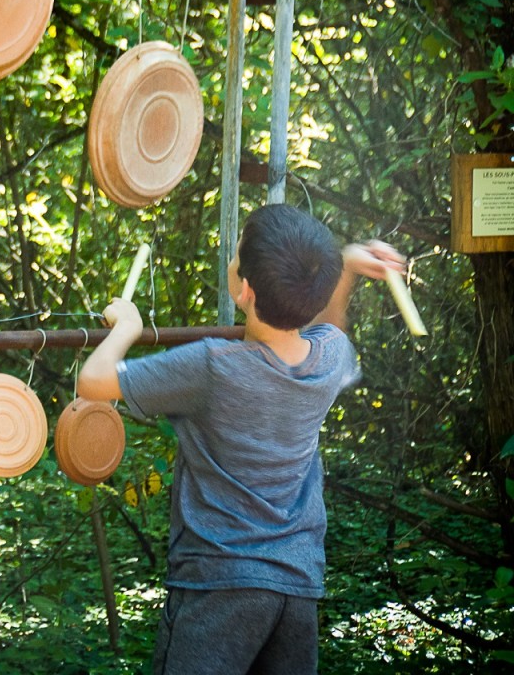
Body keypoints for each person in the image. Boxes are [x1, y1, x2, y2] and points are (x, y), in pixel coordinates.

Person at [77, 204, 407, 675]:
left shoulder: (212, 366)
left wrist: (127, 327)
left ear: (245, 289)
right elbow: (329, 327)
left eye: (234, 257)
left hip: (219, 586)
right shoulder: (329, 358)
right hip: (296, 588)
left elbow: (94, 382)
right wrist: (350, 263)